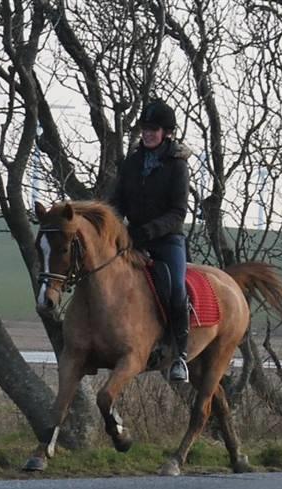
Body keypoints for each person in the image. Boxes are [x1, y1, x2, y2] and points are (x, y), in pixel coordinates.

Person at [110, 98, 192, 383]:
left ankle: (180, 355)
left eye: (153, 129)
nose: (147, 133)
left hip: (167, 240)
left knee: (176, 290)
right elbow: (117, 201)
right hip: (131, 238)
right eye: (145, 128)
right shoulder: (132, 163)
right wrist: (111, 225)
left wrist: (147, 231)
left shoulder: (177, 166)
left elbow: (178, 212)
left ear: (166, 133)